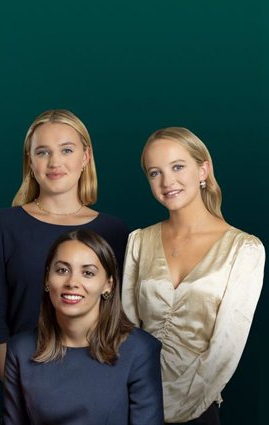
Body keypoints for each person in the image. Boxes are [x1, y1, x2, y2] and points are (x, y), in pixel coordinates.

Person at [122, 127, 265, 424]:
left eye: (177, 167)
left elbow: (225, 350)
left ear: (203, 170)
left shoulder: (244, 249)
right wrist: (135, 397)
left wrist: (170, 407)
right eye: (154, 173)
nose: (167, 181)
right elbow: (126, 329)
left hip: (198, 408)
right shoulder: (139, 240)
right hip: (132, 403)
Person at [0, 109, 129, 379]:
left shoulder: (114, 231)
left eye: (66, 150)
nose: (55, 162)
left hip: (98, 384)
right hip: (21, 383)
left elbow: (122, 320)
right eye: (43, 152)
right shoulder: (3, 225)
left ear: (86, 157)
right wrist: (26, 388)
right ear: (30, 162)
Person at [4, 229, 163, 424]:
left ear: (108, 285)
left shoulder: (140, 350)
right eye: (62, 270)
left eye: (88, 273)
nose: (72, 282)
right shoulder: (20, 349)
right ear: (47, 279)